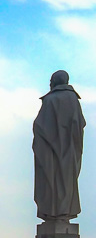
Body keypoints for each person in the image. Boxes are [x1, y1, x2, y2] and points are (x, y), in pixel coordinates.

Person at [34, 70, 85, 221]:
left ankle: (53, 212)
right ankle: (64, 210)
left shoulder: (50, 100)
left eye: (51, 80)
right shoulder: (74, 100)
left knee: (51, 180)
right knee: (66, 181)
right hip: (70, 151)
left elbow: (40, 127)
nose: (49, 84)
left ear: (56, 81)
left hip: (50, 151)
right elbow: (80, 124)